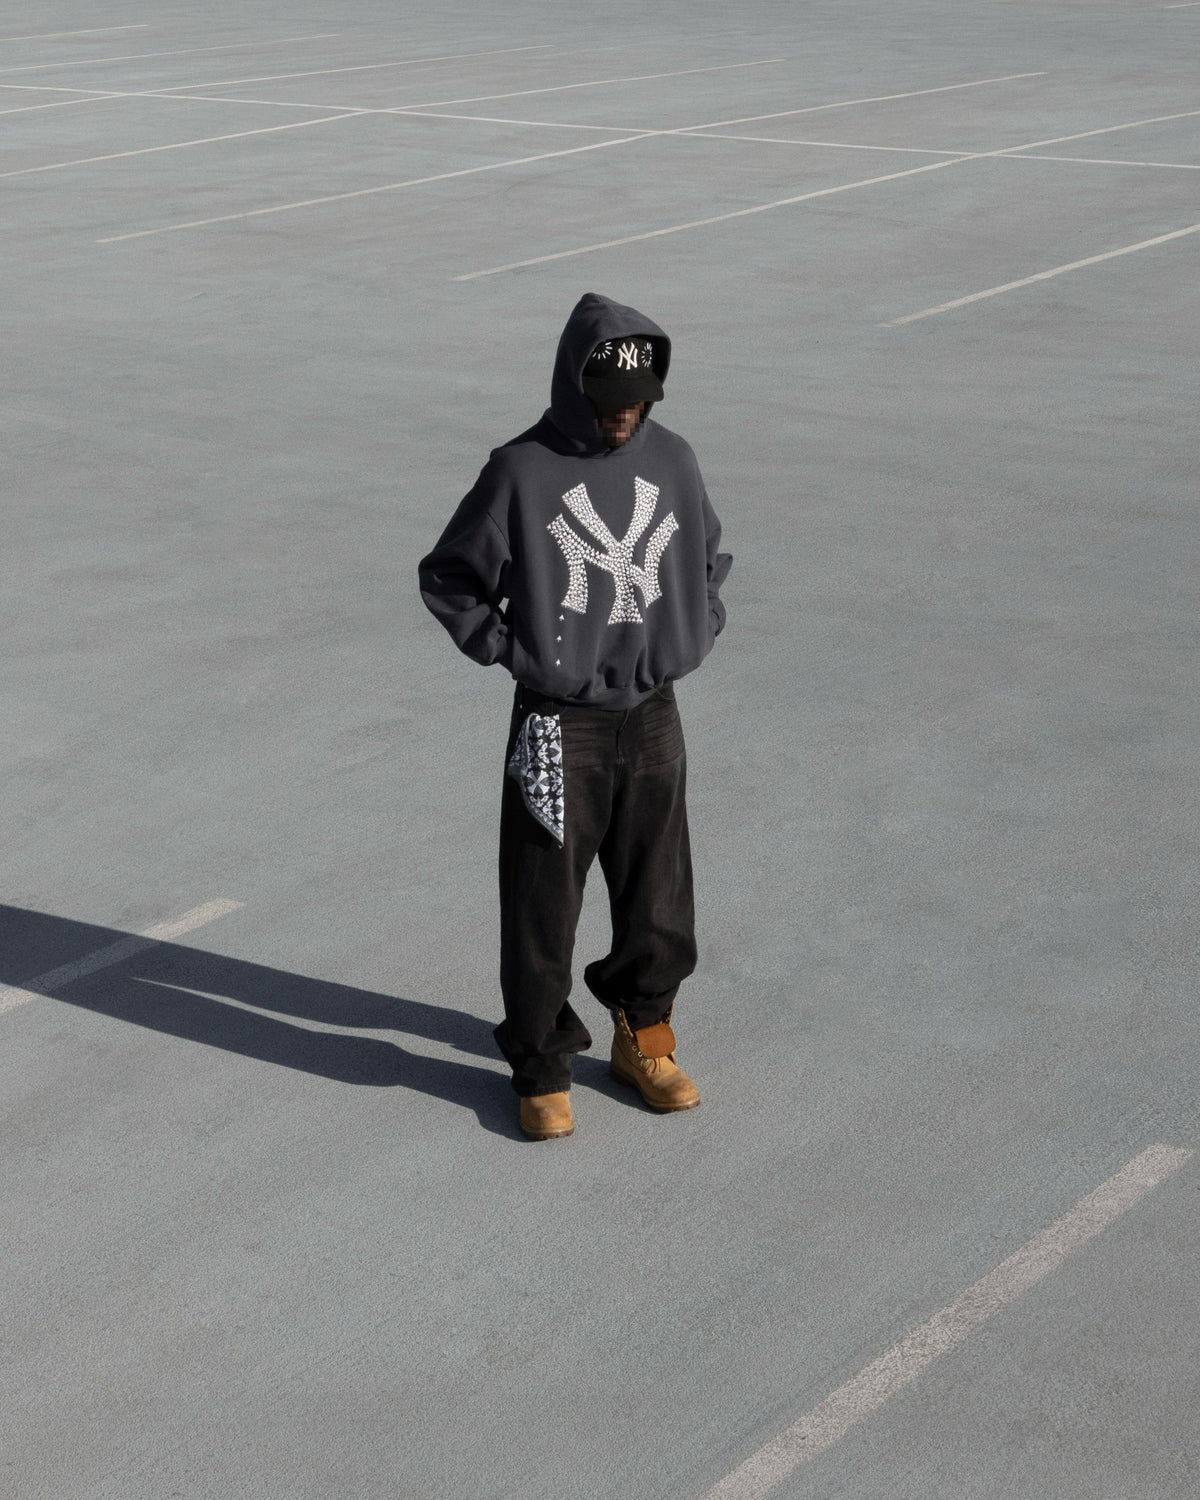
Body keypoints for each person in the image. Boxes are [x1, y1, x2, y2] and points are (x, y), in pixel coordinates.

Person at [418, 292, 731, 1140]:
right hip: (557, 725)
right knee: (542, 906)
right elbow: (450, 577)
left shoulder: (674, 459)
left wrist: (695, 629)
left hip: (654, 713)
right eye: (608, 401)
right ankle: (541, 1067)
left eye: (637, 402)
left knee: (661, 899)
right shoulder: (521, 470)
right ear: (573, 385)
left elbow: (708, 557)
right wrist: (520, 655)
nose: (623, 416)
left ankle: (645, 1041)